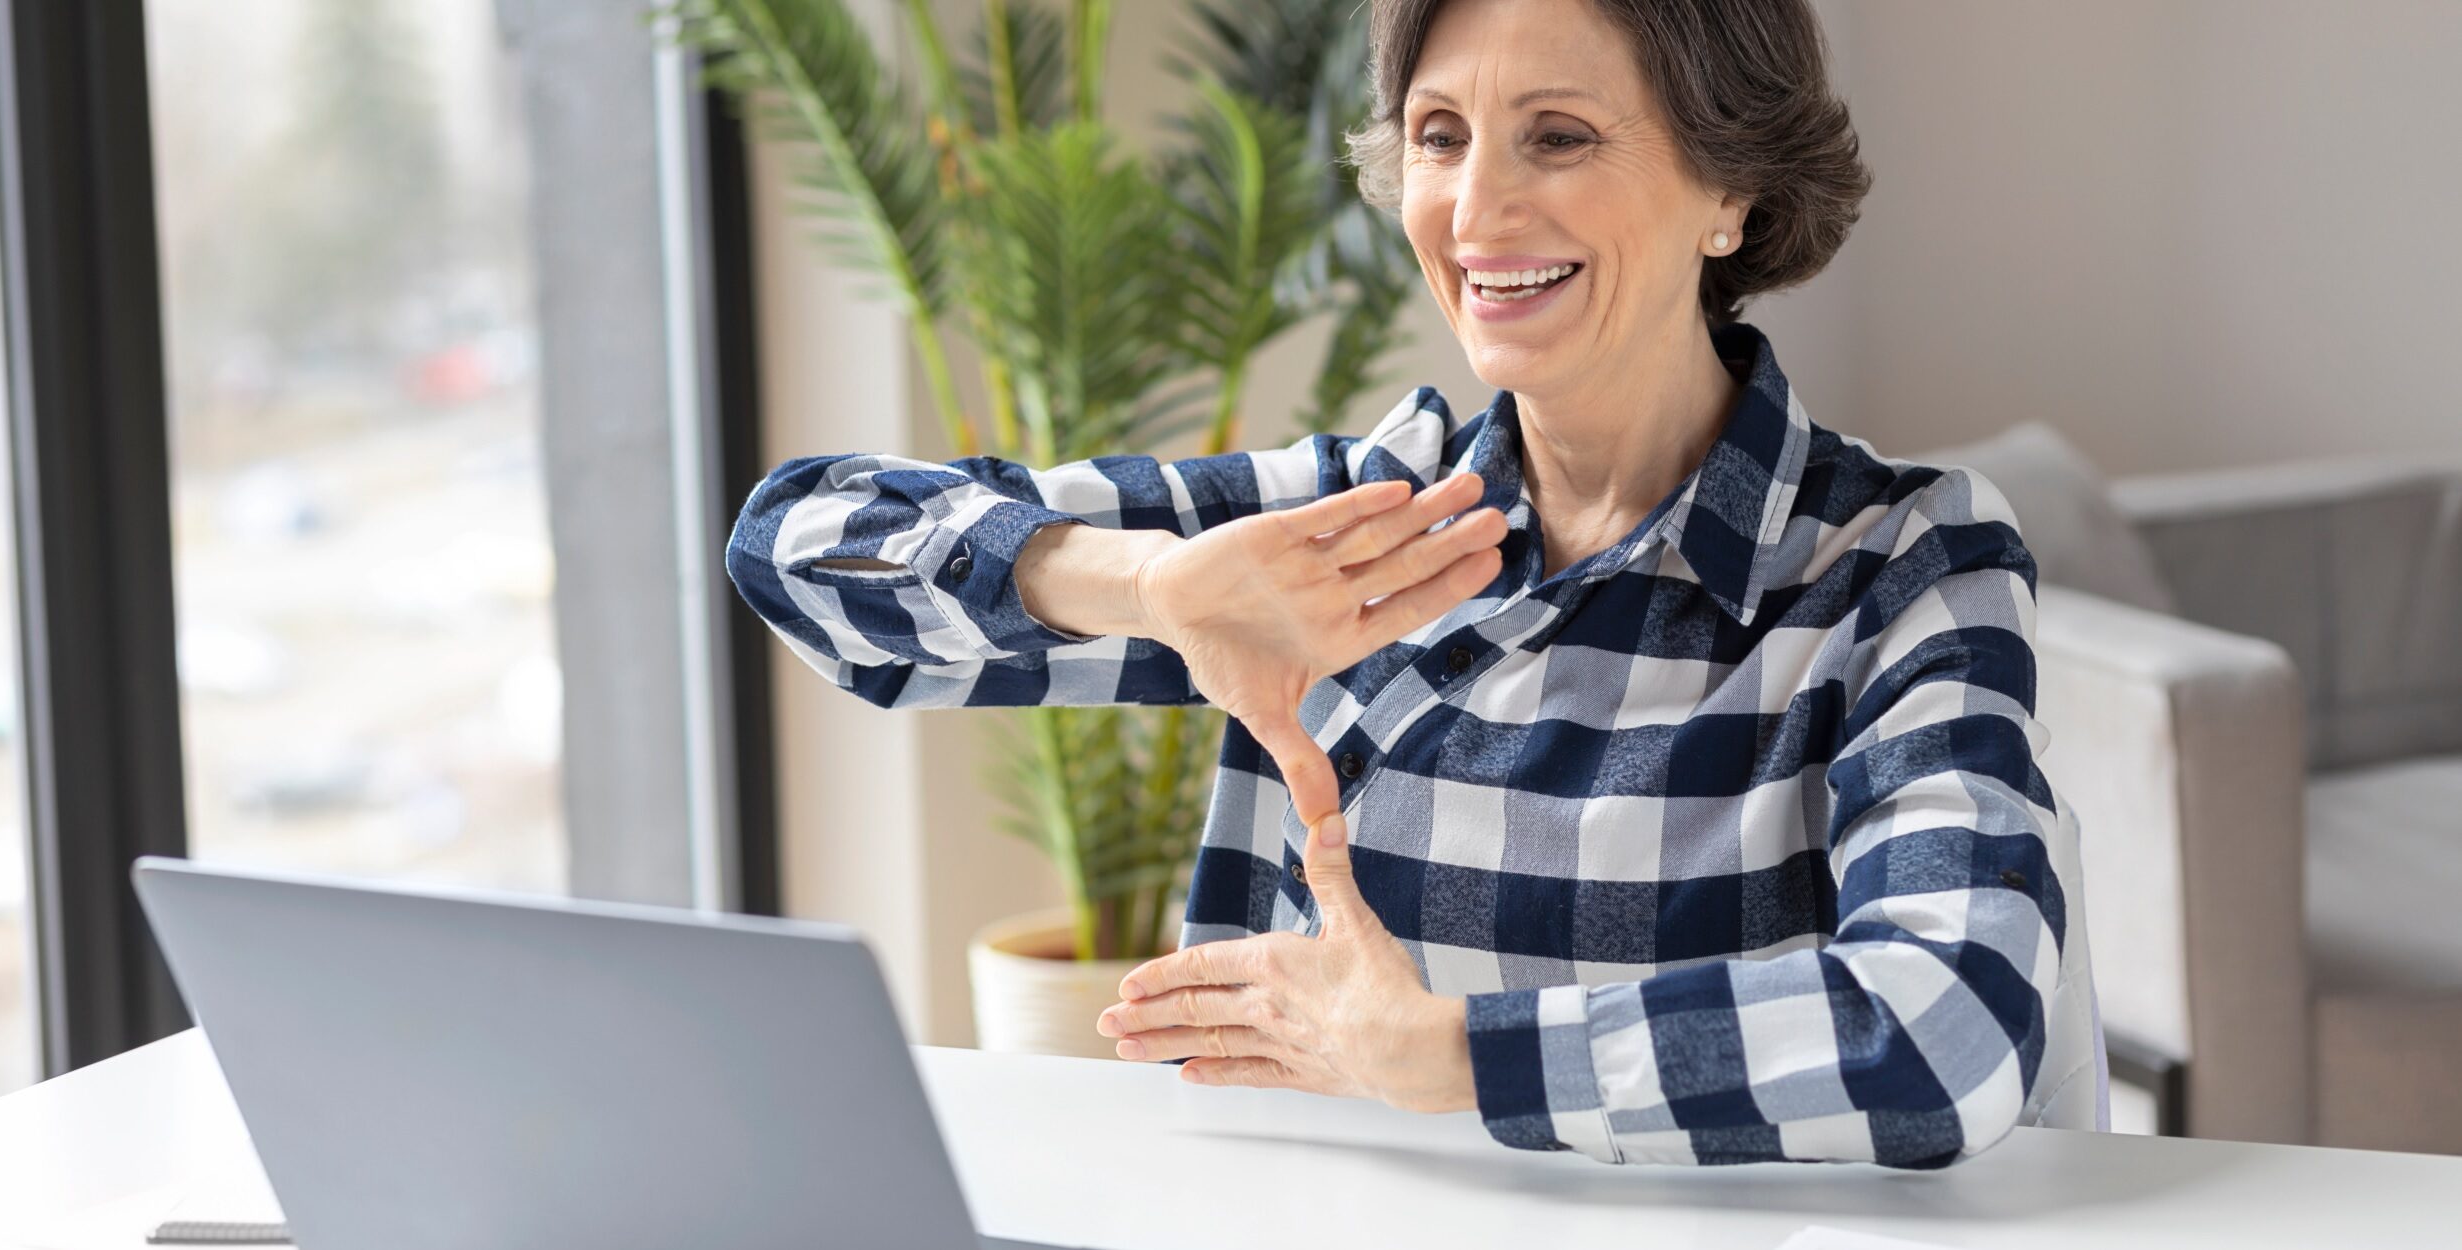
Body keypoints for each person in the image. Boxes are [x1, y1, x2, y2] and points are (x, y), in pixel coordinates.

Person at [726, 0, 2102, 1168]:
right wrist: (1149, 585)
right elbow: (800, 547)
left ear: (1730, 187)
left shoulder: (1900, 568)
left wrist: (1451, 1057)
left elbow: (1946, 1029)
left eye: (1557, 137)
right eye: (1440, 137)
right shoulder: (1334, 531)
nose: (1476, 209)